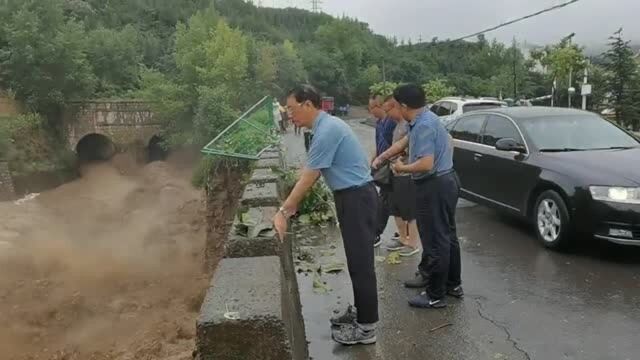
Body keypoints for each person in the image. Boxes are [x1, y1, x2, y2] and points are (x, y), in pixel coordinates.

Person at [273, 85, 379, 345]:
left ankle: (367, 330)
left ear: (308, 104)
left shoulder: (328, 130)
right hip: (351, 197)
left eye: (292, 110)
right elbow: (308, 169)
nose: (290, 117)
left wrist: (284, 211)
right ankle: (362, 313)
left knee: (361, 264)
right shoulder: (324, 127)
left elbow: (310, 176)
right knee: (357, 261)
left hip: (357, 199)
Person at [373, 84, 463, 309]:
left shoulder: (423, 125)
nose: (395, 109)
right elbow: (405, 142)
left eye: (395, 104)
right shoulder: (425, 118)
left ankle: (435, 294)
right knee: (447, 236)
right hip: (446, 181)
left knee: (436, 239)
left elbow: (425, 164)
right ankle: (452, 284)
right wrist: (383, 157)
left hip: (435, 185)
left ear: (403, 106)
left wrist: (401, 168)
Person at [380, 95, 420, 257]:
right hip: (394, 172)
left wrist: (401, 159)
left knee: (409, 210)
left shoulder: (410, 126)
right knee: (395, 208)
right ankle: (403, 238)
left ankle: (413, 243)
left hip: (405, 173)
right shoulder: (397, 125)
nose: (387, 114)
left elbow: (413, 149)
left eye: (388, 110)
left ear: (396, 107)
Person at [369, 94, 397, 247]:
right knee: (386, 199)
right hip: (382, 164)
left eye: (372, 107)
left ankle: (376, 232)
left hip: (391, 166)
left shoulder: (391, 123)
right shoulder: (379, 123)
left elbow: (395, 145)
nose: (370, 111)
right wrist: (373, 161)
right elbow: (378, 144)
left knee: (385, 200)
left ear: (380, 106)